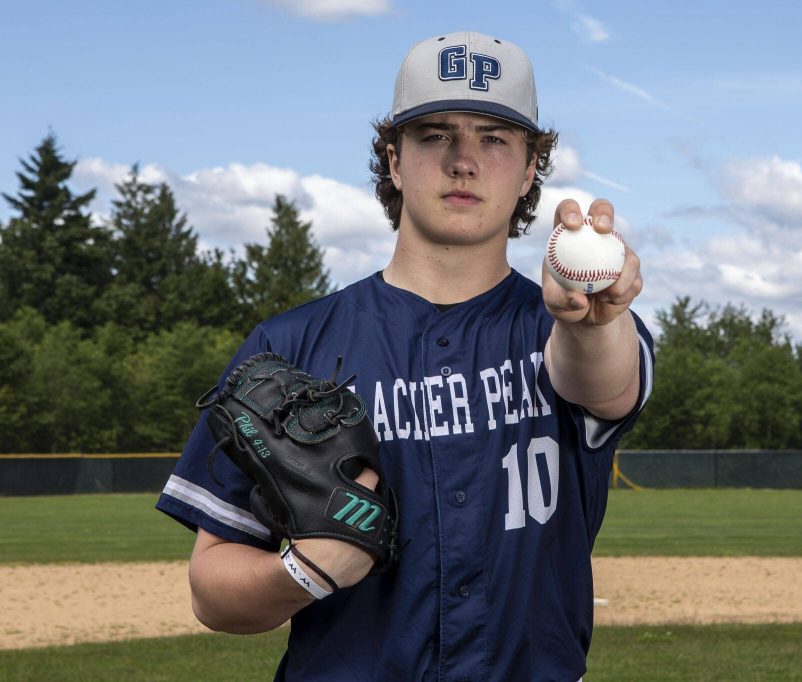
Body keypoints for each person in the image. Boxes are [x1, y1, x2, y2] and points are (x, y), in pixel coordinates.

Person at [156, 30, 655, 682]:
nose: (464, 160)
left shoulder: (569, 330)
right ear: (393, 160)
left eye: (495, 138)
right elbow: (211, 591)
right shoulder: (289, 348)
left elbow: (599, 378)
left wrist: (591, 323)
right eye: (436, 135)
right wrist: (303, 572)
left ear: (532, 166)